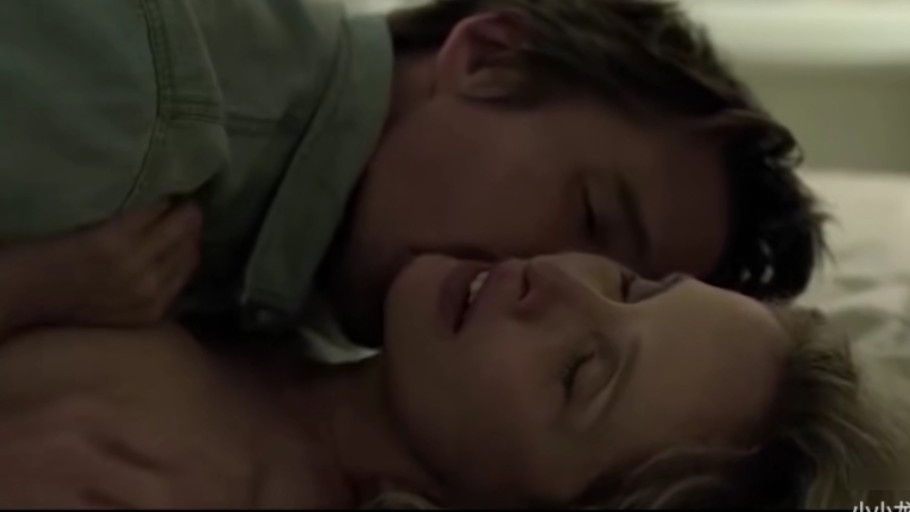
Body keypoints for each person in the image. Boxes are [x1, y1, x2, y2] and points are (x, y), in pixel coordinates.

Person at [0, 0, 826, 350]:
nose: (547, 290)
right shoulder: (143, 98)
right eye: (589, 215)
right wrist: (31, 289)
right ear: (490, 60)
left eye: (610, 287)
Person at [0, 251, 902, 508]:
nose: (556, 284)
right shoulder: (274, 306)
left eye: (580, 371)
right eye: (631, 284)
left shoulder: (180, 480)